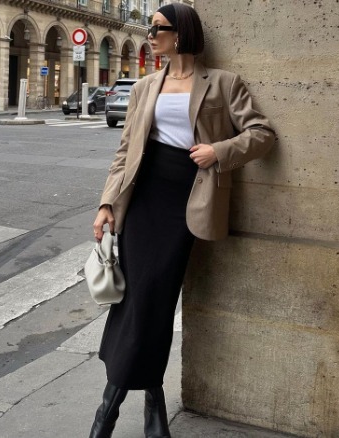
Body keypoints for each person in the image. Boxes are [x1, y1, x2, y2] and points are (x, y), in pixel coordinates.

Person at [90, 3, 275, 437]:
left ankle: (123, 406)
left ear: (182, 34)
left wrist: (219, 152)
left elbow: (262, 134)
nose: (149, 36)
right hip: (144, 199)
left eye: (157, 29)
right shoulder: (145, 86)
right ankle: (124, 406)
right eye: (150, 29)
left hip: (187, 201)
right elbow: (125, 154)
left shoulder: (223, 83)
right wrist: (106, 205)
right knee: (136, 300)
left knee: (154, 299)